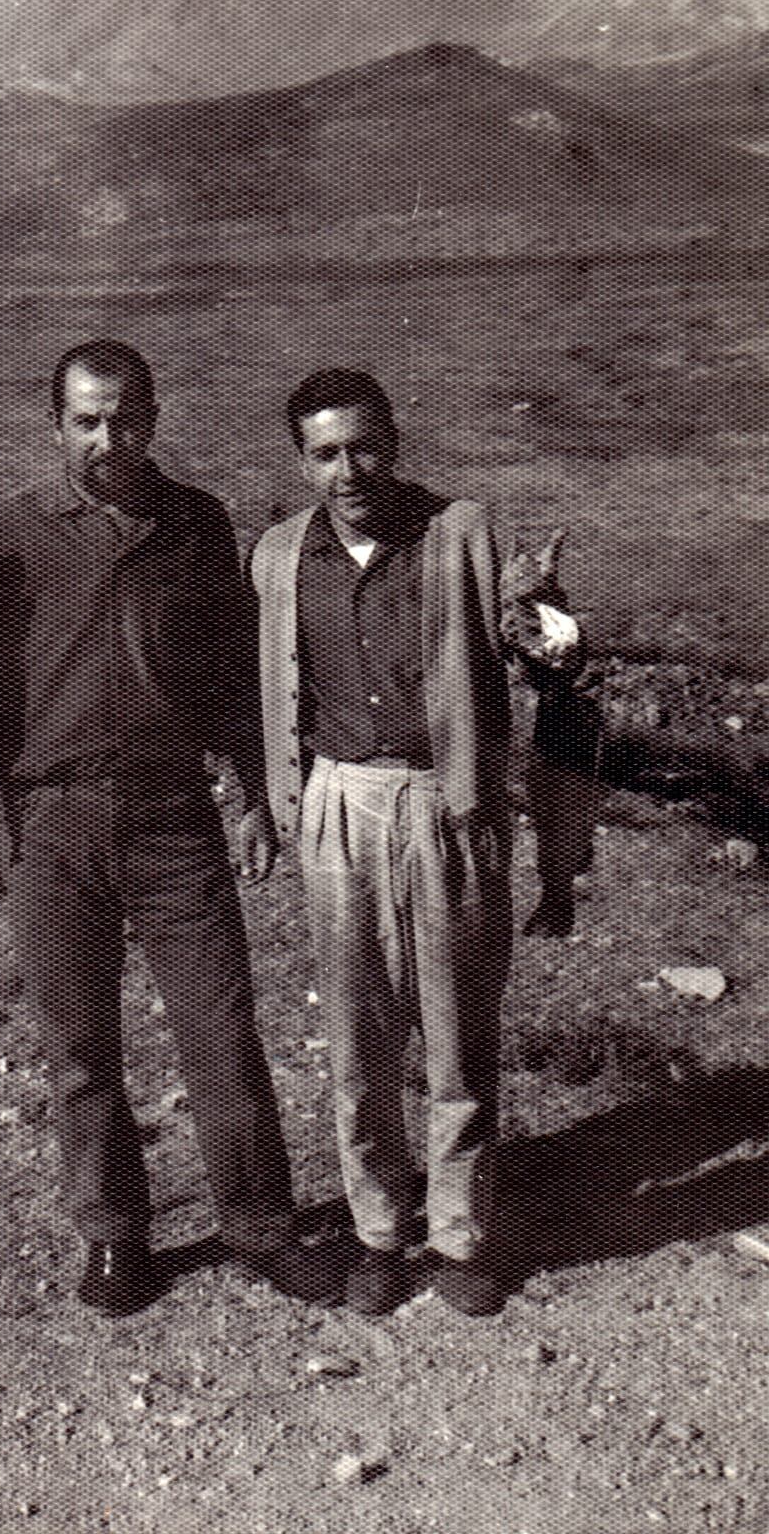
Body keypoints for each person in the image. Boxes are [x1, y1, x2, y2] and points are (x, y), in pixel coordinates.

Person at [0, 340, 343, 1317]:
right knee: (80, 1044)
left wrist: (255, 794)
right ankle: (116, 1235)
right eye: (85, 421)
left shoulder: (197, 525)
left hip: (176, 821)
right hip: (50, 823)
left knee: (222, 1031)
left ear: (155, 418)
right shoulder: (7, 536)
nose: (107, 439)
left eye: (124, 417)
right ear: (56, 429)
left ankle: (260, 1227)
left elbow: (232, 675)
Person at [248, 368, 587, 1318]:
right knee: (357, 1040)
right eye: (326, 453)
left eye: (365, 446)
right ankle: (378, 1231)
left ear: (394, 443)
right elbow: (267, 686)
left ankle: (461, 1237)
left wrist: (548, 623)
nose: (349, 469)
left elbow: (543, 652)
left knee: (457, 1032)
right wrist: (264, 798)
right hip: (336, 802)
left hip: (449, 800)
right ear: (303, 461)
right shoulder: (276, 556)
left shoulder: (461, 531)